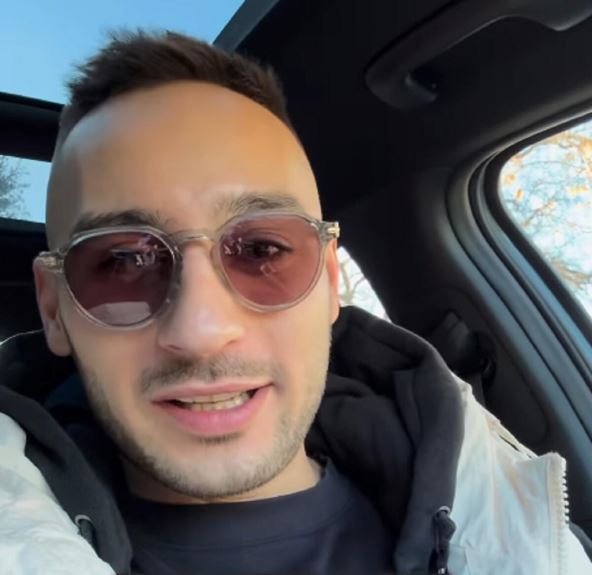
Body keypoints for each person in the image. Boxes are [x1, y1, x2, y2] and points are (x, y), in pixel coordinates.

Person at [0, 30, 590, 575]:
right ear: (54, 309)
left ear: (330, 281)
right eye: (125, 261)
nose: (202, 329)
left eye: (263, 249)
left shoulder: (535, 543)